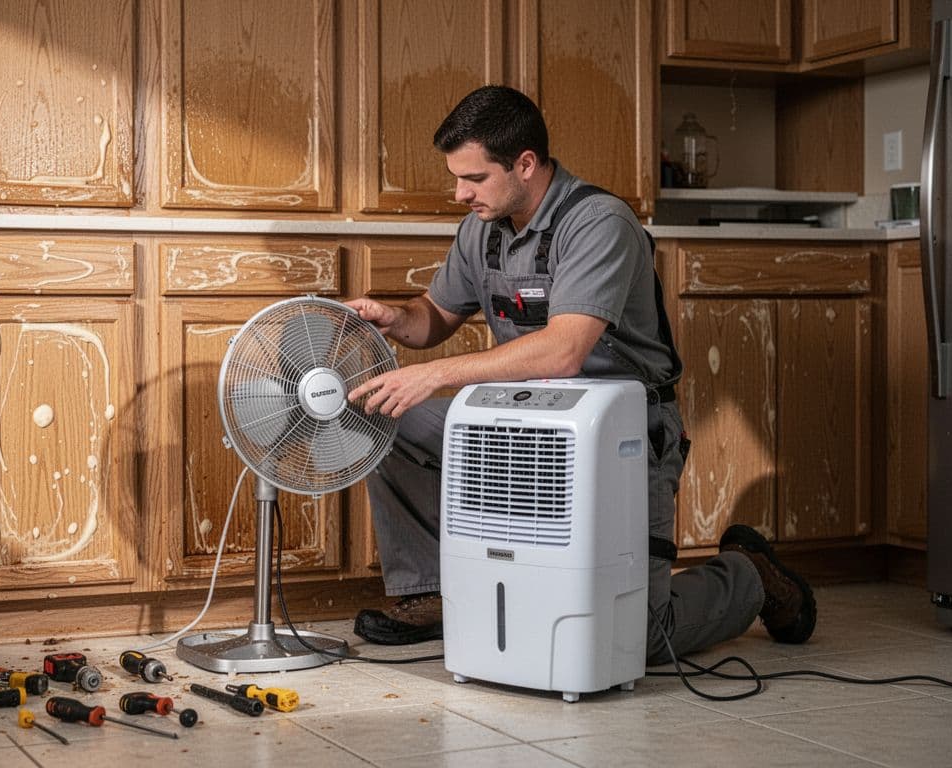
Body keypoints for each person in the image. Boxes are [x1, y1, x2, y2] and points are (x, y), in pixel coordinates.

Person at [344, 85, 816, 664]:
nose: (459, 193)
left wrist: (434, 375)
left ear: (525, 163)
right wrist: (397, 318)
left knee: (634, 637)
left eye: (473, 178)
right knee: (382, 418)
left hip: (618, 435)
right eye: (456, 177)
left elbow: (564, 351)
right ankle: (430, 593)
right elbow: (433, 319)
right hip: (521, 422)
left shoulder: (598, 222)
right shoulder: (481, 227)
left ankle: (749, 576)